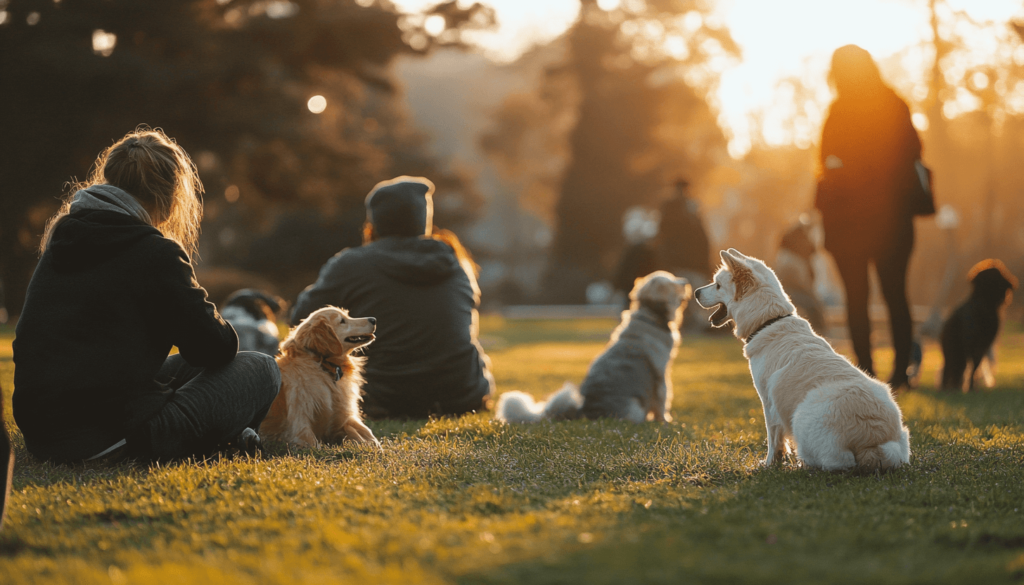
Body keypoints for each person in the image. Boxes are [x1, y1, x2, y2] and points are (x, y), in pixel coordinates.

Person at [13, 128, 280, 463]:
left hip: (45, 435)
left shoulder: (62, 239)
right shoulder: (154, 252)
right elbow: (216, 347)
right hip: (112, 437)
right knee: (261, 368)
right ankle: (228, 438)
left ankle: (226, 436)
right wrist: (193, 296)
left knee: (180, 367)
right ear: (170, 196)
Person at [291, 176, 494, 419]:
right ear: (424, 222)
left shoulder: (350, 264)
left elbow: (302, 320)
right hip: (462, 397)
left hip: (381, 399)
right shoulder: (457, 263)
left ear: (374, 223)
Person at [815, 45, 933, 389]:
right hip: (892, 221)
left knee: (856, 298)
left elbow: (826, 159)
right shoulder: (895, 104)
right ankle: (900, 373)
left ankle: (865, 371)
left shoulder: (838, 111)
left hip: (849, 222)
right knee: (896, 295)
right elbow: (914, 151)